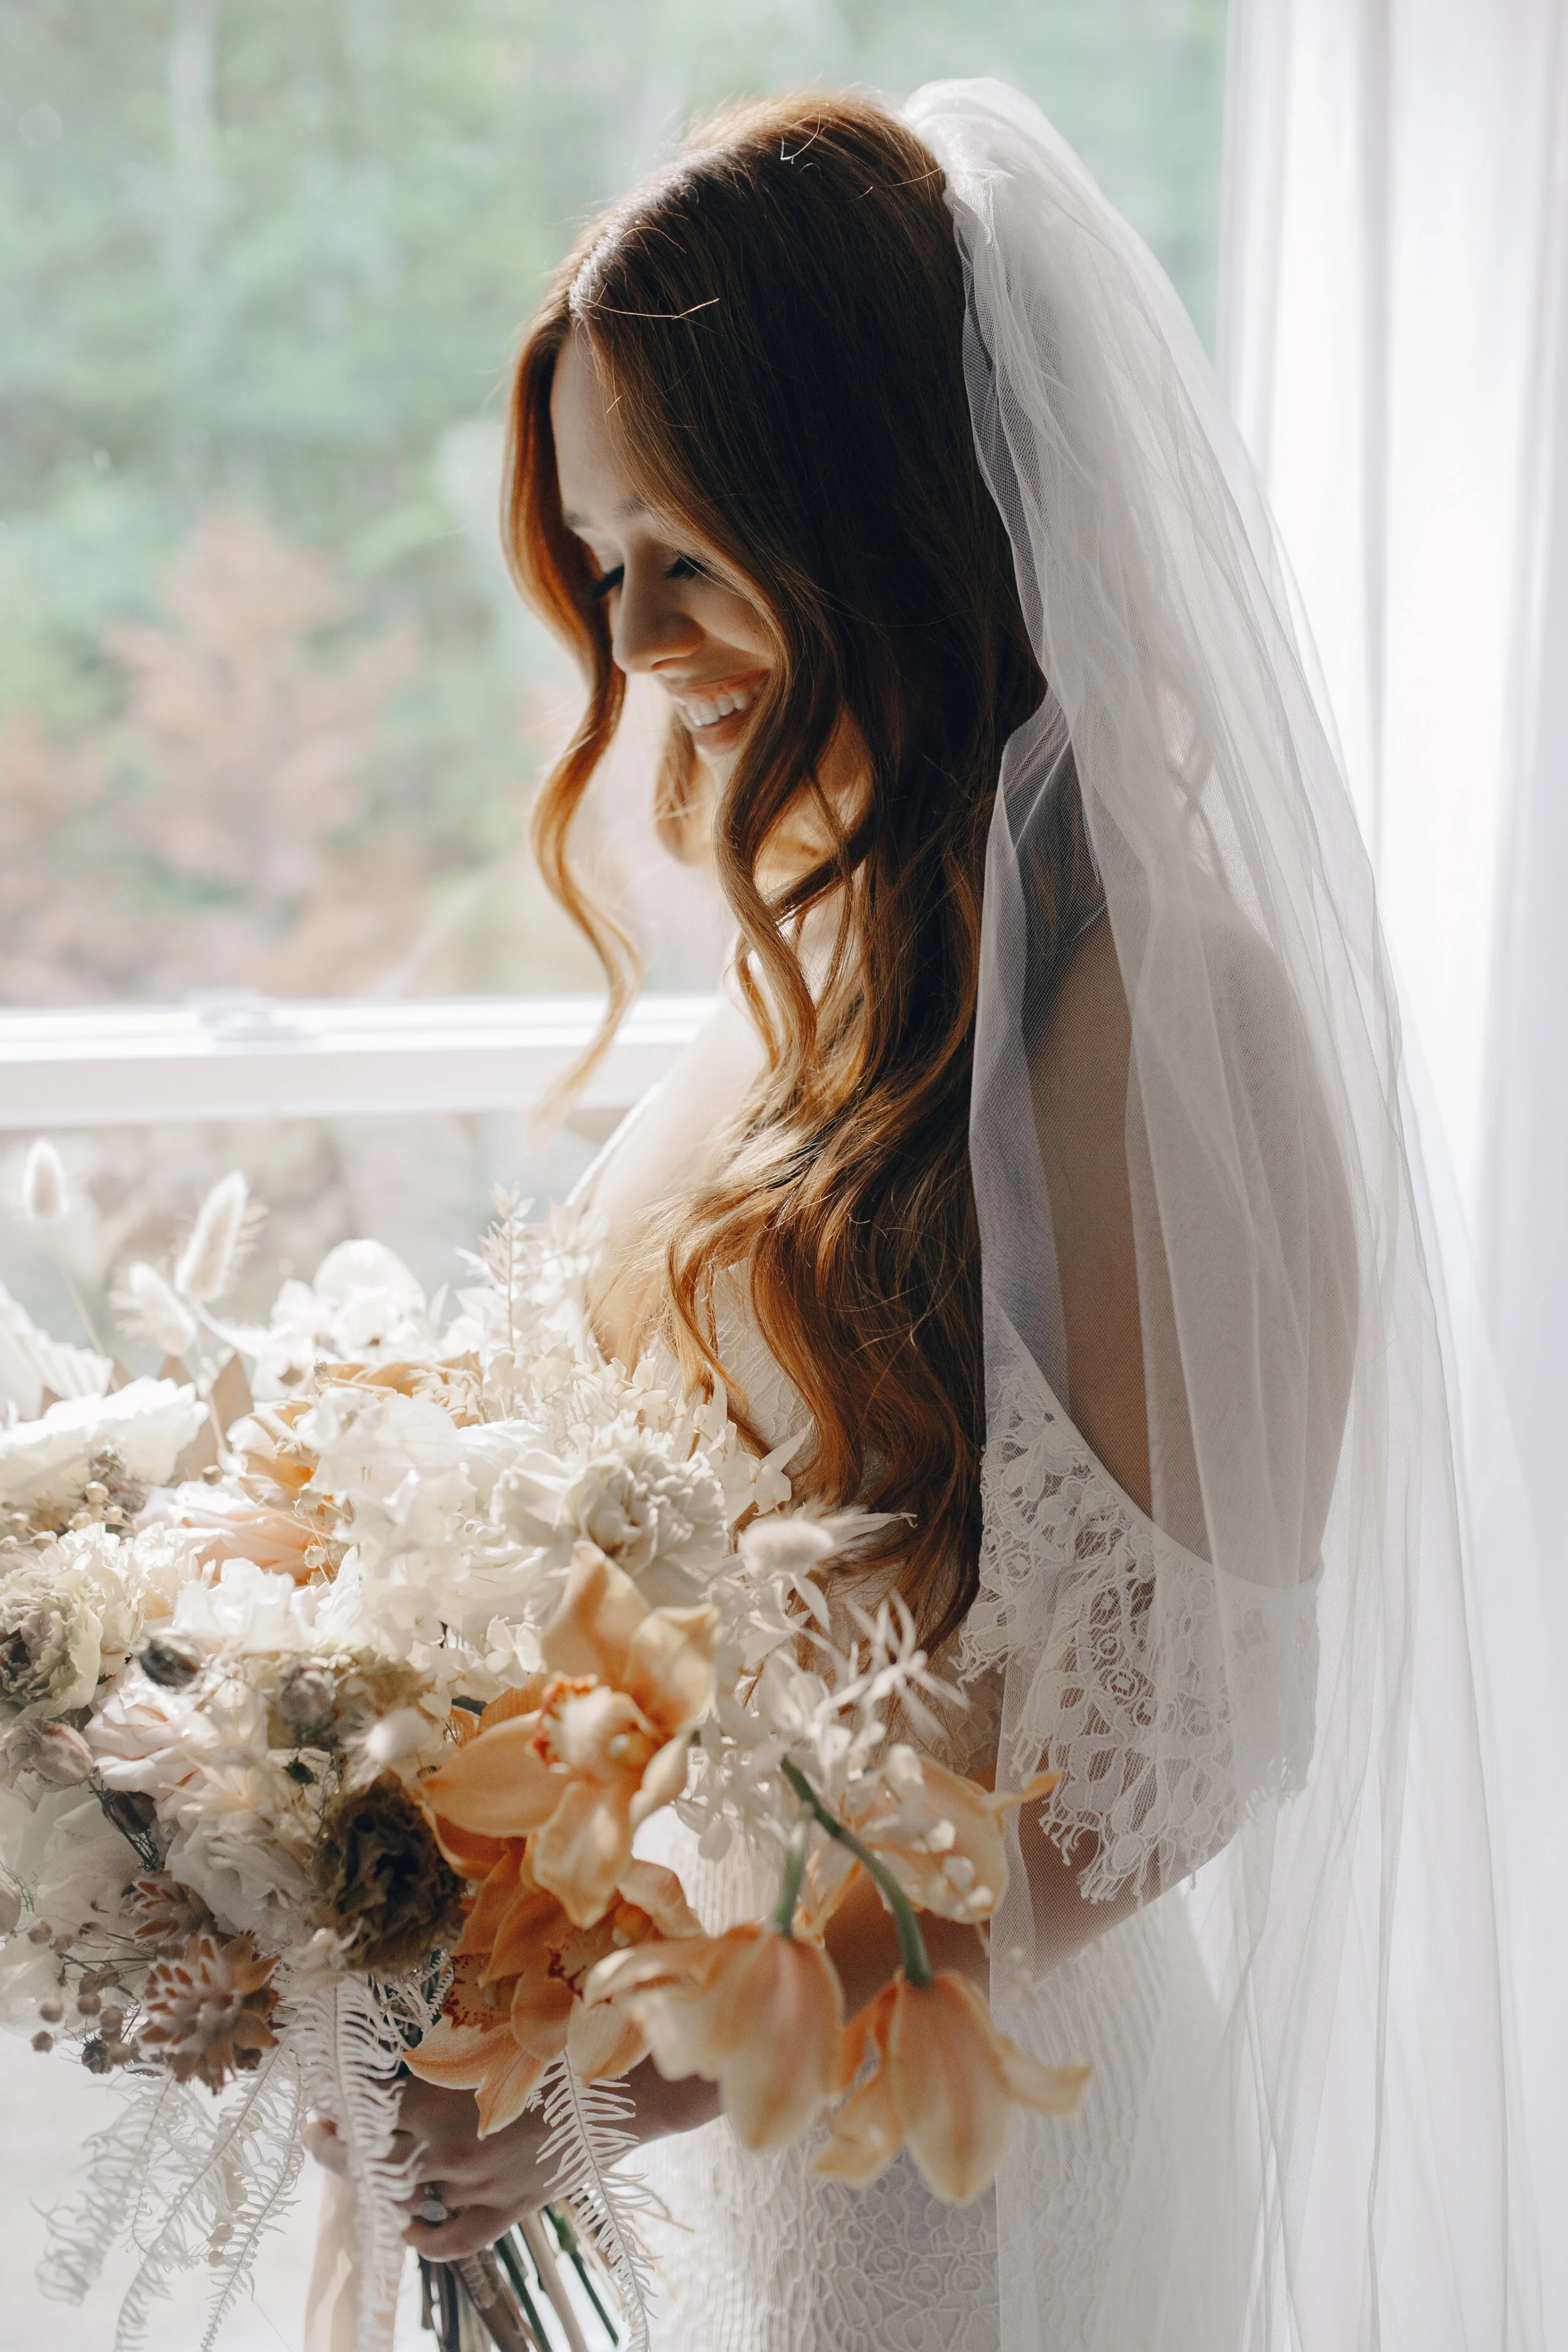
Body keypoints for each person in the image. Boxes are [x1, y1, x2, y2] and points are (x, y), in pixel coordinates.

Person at [310, 81, 1544, 2352]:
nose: (639, 644)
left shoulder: (1159, 1011)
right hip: (702, 2091)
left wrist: (656, 2066)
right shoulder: (832, 954)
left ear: (875, 511)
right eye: (602, 570)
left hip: (959, 2152)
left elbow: (1156, 1775)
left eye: (686, 551)